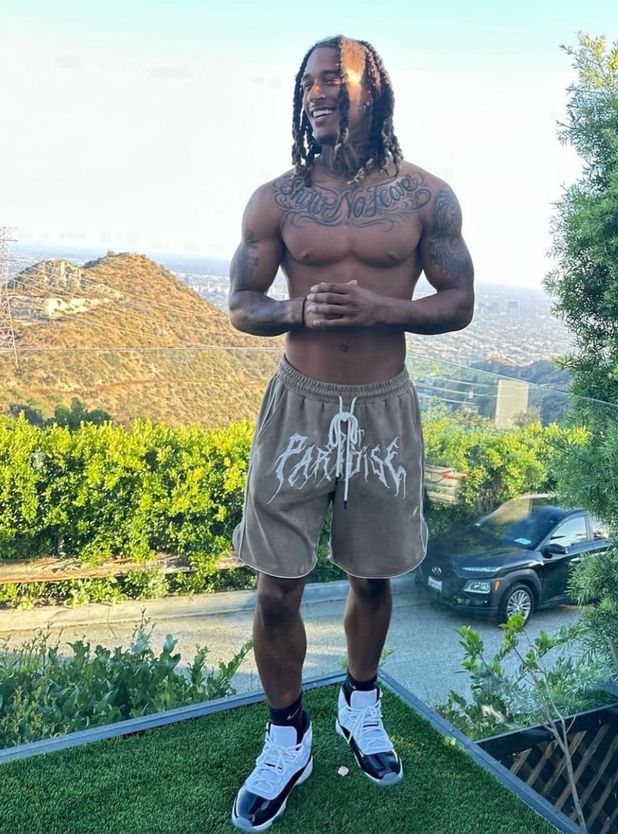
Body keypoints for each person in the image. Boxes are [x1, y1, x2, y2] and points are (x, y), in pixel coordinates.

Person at [228, 35, 474, 832]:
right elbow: (242, 302)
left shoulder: (427, 197)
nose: (317, 92)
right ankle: (285, 734)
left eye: (335, 77)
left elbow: (459, 299)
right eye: (307, 82)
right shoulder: (275, 199)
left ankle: (360, 708)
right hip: (296, 406)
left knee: (374, 578)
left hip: (382, 409)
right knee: (275, 588)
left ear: (377, 89)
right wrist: (295, 309)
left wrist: (386, 311)